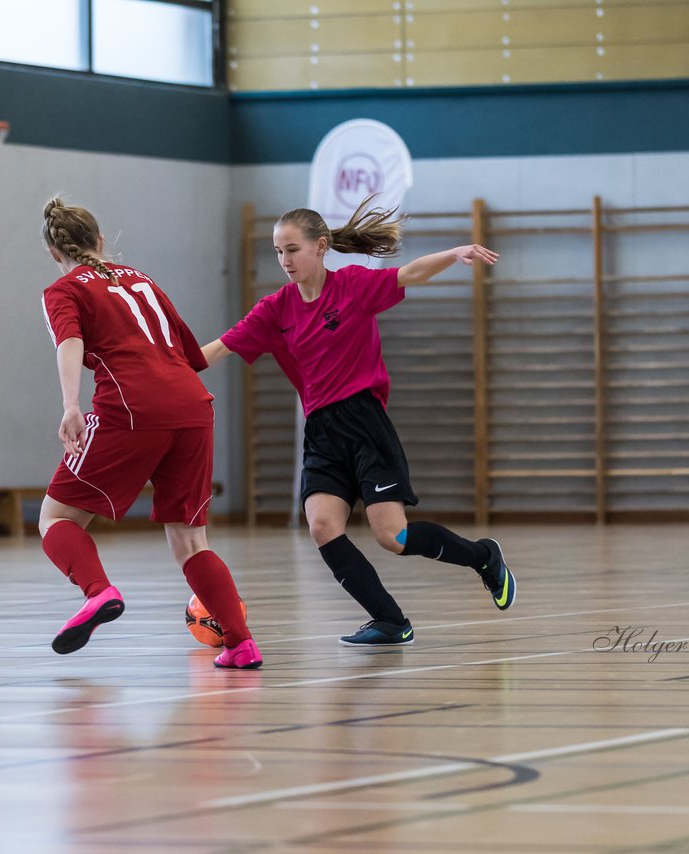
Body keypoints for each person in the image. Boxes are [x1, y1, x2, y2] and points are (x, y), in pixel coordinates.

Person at [201, 196, 515, 646]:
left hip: (364, 423)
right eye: (278, 251)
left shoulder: (351, 287)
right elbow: (216, 350)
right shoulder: (275, 310)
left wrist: (454, 253)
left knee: (393, 536)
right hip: (322, 432)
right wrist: (159, 368)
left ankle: (483, 557)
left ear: (320, 247)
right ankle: (390, 620)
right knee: (323, 526)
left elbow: (409, 273)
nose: (284, 260)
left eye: (292, 249)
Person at [37, 198, 261, 669]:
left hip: (131, 408)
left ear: (56, 253)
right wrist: (247, 331)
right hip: (194, 408)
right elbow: (193, 358)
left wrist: (71, 405)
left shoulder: (63, 288)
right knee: (190, 542)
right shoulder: (144, 281)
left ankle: (98, 593)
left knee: (55, 518)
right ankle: (241, 644)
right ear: (99, 241)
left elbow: (71, 342)